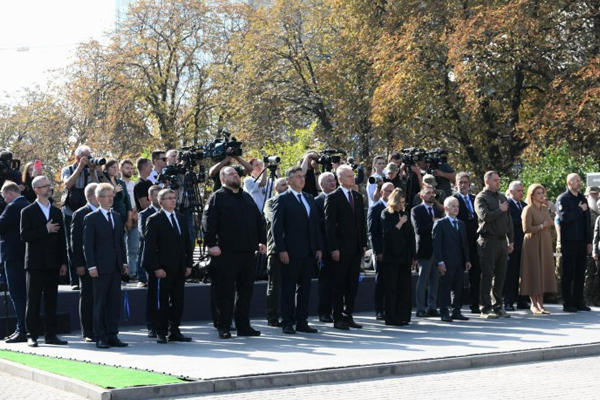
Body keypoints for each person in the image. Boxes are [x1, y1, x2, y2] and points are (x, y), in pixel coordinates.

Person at [203, 166, 266, 339]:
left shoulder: (246, 197)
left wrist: (262, 240)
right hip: (225, 253)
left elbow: (258, 220)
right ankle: (223, 325)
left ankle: (243, 325)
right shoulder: (217, 197)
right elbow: (208, 223)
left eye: (237, 174)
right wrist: (212, 244)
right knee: (225, 292)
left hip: (247, 252)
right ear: (223, 179)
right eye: (231, 174)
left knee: (246, 291)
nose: (236, 176)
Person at [272, 167, 322, 334]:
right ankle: (287, 321)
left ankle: (302, 321)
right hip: (291, 252)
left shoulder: (309, 198)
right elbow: (277, 228)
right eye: (298, 177)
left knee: (305, 288)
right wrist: (282, 250)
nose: (302, 179)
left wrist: (318, 247)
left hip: (308, 251)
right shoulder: (283, 199)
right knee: (288, 288)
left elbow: (315, 226)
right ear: (289, 180)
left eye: (303, 177)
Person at [20, 176, 68, 347]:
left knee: (51, 300)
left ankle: (51, 335)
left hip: (53, 263)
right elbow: (24, 236)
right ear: (36, 190)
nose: (49, 188)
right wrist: (45, 230)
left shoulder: (56, 212)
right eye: (45, 186)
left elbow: (62, 239)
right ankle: (31, 335)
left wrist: (63, 262)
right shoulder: (27, 211)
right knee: (33, 300)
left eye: (49, 185)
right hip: (35, 263)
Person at [143, 189, 194, 344]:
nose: (173, 201)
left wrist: (189, 264)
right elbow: (150, 247)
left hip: (179, 268)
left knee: (178, 301)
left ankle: (175, 330)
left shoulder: (180, 218)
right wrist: (156, 268)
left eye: (174, 198)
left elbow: (187, 243)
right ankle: (161, 330)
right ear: (161, 201)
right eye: (169, 198)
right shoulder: (154, 219)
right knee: (161, 301)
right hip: (162, 269)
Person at [83, 183, 129, 349]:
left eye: (112, 196)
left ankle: (112, 334)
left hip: (115, 267)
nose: (111, 199)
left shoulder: (116, 216)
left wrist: (123, 262)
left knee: (113, 302)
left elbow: (119, 242)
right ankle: (100, 336)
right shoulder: (91, 218)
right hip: (100, 268)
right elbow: (88, 245)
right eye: (107, 196)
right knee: (100, 302)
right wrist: (91, 266)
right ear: (98, 198)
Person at [324, 165, 367, 330]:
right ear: (340, 179)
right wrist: (333, 248)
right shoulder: (333, 197)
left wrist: (363, 244)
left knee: (352, 285)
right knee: (339, 284)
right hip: (341, 249)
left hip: (355, 248)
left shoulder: (357, 196)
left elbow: (361, 223)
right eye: (348, 176)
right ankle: (338, 317)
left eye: (352, 175)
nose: (352, 178)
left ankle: (348, 315)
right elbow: (329, 226)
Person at [61, 145, 102, 289]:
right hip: (70, 211)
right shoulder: (68, 169)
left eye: (89, 156)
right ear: (78, 158)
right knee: (72, 244)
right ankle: (74, 279)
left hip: (88, 211)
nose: (88, 159)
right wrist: (79, 168)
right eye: (86, 157)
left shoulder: (91, 170)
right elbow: (68, 184)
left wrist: (92, 172)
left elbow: (98, 191)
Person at [475, 171, 514, 319]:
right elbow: (485, 216)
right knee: (487, 275)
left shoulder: (502, 197)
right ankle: (485, 308)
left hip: (502, 241)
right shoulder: (481, 198)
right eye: (495, 180)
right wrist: (500, 210)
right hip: (488, 240)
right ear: (487, 181)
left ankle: (498, 306)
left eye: (499, 180)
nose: (498, 182)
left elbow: (508, 221)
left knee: (501, 275)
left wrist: (511, 240)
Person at [556, 173, 593, 312]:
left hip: (581, 242)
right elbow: (564, 218)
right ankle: (568, 303)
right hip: (569, 241)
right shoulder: (563, 199)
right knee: (568, 273)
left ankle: (579, 301)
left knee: (580, 273)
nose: (579, 183)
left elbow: (587, 221)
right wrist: (579, 209)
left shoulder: (582, 198)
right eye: (576, 181)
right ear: (569, 183)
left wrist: (588, 241)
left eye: (579, 180)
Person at [380, 189, 416, 326]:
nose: (402, 205)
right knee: (391, 288)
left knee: (404, 288)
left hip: (405, 257)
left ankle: (403, 316)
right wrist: (400, 223)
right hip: (392, 257)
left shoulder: (405, 214)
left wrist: (413, 255)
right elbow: (388, 234)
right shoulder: (386, 214)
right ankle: (391, 317)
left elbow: (411, 236)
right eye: (400, 202)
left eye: (403, 202)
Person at [520, 184, 557, 315]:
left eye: (542, 193)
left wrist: (549, 225)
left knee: (543, 272)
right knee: (533, 272)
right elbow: (526, 229)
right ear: (532, 195)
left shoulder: (545, 209)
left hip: (545, 242)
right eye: (538, 193)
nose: (542, 196)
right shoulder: (528, 209)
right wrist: (542, 226)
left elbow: (550, 223)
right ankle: (533, 304)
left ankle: (541, 304)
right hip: (532, 243)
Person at [0, 181, 30, 343]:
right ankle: (27, 328)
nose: (4, 200)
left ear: (9, 194)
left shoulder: (12, 208)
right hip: (27, 256)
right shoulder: (29, 204)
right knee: (26, 295)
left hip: (13, 256)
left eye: (4, 196)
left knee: (17, 294)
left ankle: (22, 329)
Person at [433, 197, 471, 322]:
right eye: (453, 206)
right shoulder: (440, 223)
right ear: (446, 208)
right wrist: (440, 261)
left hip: (459, 261)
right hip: (446, 261)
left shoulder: (461, 224)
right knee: (445, 287)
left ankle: (456, 310)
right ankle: (444, 311)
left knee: (458, 286)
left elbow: (464, 243)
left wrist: (467, 259)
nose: (456, 208)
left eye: (457, 206)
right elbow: (437, 245)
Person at [70, 183, 98, 342]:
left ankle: (101, 328)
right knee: (87, 297)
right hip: (86, 265)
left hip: (103, 263)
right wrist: (79, 264)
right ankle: (87, 331)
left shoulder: (107, 212)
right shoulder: (80, 214)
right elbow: (75, 241)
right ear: (89, 196)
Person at [411, 186, 443, 318]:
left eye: (433, 193)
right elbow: (418, 230)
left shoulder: (436, 210)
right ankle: (420, 308)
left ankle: (432, 307)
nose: (431, 195)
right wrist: (433, 223)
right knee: (422, 280)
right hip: (424, 250)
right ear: (421, 196)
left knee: (435, 281)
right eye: (428, 193)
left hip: (436, 250)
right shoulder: (416, 210)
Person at [453, 172, 481, 314]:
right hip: (459, 241)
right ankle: (455, 306)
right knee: (457, 275)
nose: (463, 185)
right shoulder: (453, 199)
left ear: (469, 184)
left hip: (475, 241)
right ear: (456, 184)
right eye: (460, 182)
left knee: (476, 274)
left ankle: (475, 303)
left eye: (465, 182)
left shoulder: (474, 199)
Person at [367, 182, 395, 320]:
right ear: (381, 192)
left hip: (394, 251)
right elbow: (372, 233)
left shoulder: (395, 209)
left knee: (392, 280)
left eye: (392, 191)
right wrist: (377, 252)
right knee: (381, 280)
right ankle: (379, 309)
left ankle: (391, 307)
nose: (390, 193)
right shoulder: (375, 208)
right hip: (381, 251)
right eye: (387, 191)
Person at [263, 177, 289, 327]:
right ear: (276, 189)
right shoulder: (271, 202)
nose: (286, 187)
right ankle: (272, 316)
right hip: (276, 249)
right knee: (275, 285)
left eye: (287, 184)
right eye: (282, 185)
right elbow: (275, 220)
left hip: (293, 249)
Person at [138, 185, 161, 337]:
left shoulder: (172, 214)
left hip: (167, 260)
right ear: (151, 198)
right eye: (157, 195)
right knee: (152, 294)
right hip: (152, 259)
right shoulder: (144, 214)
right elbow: (143, 234)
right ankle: (151, 325)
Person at [504, 181, 529, 311]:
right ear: (511, 191)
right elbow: (508, 223)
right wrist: (522, 221)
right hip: (512, 243)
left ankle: (522, 299)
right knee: (511, 274)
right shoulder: (506, 205)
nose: (521, 193)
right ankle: (509, 300)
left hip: (525, 244)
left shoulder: (525, 205)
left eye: (522, 191)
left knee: (524, 273)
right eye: (518, 191)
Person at [315, 172, 337, 323]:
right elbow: (316, 226)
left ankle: (339, 311)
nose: (332, 183)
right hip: (325, 248)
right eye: (328, 181)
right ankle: (324, 312)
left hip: (341, 248)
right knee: (326, 283)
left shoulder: (340, 199)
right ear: (321, 185)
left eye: (333, 180)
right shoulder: (317, 201)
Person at [133, 157, 153, 287]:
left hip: (153, 215)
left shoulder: (149, 182)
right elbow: (144, 204)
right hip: (144, 216)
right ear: (144, 167)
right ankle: (141, 276)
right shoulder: (140, 184)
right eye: (150, 166)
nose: (151, 168)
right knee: (143, 246)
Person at [119, 159, 139, 282]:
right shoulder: (118, 184)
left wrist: (132, 216)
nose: (130, 171)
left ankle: (132, 272)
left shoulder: (134, 185)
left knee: (134, 248)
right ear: (121, 169)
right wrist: (127, 218)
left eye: (131, 168)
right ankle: (122, 272)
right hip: (121, 220)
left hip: (135, 219)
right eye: (127, 168)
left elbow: (136, 202)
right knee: (121, 248)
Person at [102, 159, 133, 235]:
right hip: (109, 216)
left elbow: (128, 202)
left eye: (117, 167)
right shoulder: (102, 181)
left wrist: (129, 219)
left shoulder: (121, 183)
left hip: (122, 217)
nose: (116, 169)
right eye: (113, 167)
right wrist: (114, 192)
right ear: (107, 168)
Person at [584, 186, 600, 306]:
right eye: (594, 194)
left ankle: (594, 299)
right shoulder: (586, 211)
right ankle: (585, 299)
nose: (596, 196)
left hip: (594, 247)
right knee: (588, 275)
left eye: (597, 194)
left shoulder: (596, 211)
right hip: (588, 247)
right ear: (587, 195)